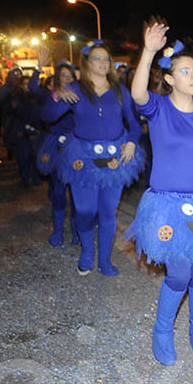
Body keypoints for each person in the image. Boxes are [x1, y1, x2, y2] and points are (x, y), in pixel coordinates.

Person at [124, 22, 193, 365]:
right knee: (179, 274)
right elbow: (137, 94)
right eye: (184, 71)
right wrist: (147, 51)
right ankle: (162, 330)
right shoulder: (158, 108)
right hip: (167, 205)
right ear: (170, 78)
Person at [45, 40, 144, 276]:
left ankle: (105, 260)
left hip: (115, 158)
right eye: (97, 58)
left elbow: (135, 124)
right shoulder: (76, 90)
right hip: (82, 158)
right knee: (86, 210)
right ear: (87, 63)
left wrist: (131, 141)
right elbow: (48, 116)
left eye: (106, 59)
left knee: (108, 212)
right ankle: (87, 252)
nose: (102, 62)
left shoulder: (121, 91)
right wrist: (57, 96)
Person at [35, 52, 80, 247]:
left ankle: (77, 232)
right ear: (57, 78)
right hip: (56, 148)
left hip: (76, 147)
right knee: (59, 191)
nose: (67, 79)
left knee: (78, 192)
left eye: (70, 75)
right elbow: (32, 90)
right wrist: (39, 68)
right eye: (63, 75)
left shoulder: (80, 96)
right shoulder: (51, 95)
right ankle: (58, 232)